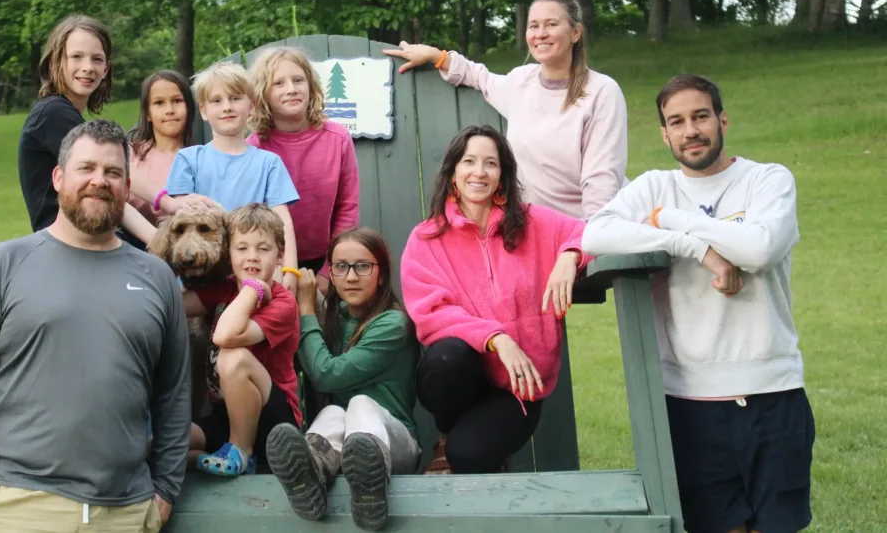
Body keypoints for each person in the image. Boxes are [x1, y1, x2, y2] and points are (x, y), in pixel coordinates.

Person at [582, 75, 814, 533]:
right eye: (677, 121)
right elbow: (594, 233)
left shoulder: (768, 180)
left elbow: (759, 249)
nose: (690, 130)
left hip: (773, 390)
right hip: (689, 399)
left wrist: (669, 220)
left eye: (700, 116)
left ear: (722, 119)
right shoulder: (653, 186)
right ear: (664, 134)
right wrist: (695, 248)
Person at [0, 120, 190, 533]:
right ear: (58, 178)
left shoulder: (157, 277)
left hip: (123, 512)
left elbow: (174, 391)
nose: (99, 181)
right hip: (13, 504)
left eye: (113, 173)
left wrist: (164, 490)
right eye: (86, 168)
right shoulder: (6, 263)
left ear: (127, 188)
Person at [399, 125, 591, 475]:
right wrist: (497, 338)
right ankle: (447, 433)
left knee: (467, 457)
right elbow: (431, 314)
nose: (480, 171)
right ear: (454, 172)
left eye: (491, 163)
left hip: (519, 388)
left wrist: (570, 255)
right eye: (469, 161)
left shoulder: (533, 223)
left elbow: (591, 231)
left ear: (502, 175)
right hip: (458, 378)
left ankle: (466, 445)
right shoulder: (426, 238)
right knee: (449, 356)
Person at [383, 0, 627, 220]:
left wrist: (590, 241)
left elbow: (601, 181)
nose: (540, 33)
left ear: (576, 33)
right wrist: (438, 56)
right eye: (534, 26)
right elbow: (481, 77)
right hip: (532, 226)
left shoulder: (601, 92)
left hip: (585, 225)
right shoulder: (522, 81)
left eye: (551, 24)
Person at [266, 228, 420, 531]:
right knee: (334, 412)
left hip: (398, 446)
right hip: (341, 449)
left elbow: (326, 374)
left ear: (381, 273)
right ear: (331, 275)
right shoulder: (335, 319)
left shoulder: (393, 323)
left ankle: (370, 485)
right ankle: (311, 473)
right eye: (341, 267)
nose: (351, 276)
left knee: (360, 404)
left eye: (363, 266)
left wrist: (307, 308)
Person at [154, 62, 301, 292]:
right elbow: (180, 221)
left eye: (234, 98)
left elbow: (283, 221)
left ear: (251, 106)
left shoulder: (269, 163)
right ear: (203, 110)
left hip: (252, 272)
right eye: (216, 101)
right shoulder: (189, 159)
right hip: (200, 275)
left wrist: (289, 269)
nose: (227, 107)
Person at [184, 203, 301, 477]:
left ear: (280, 255)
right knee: (165, 442)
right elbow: (172, 305)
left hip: (275, 420)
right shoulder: (223, 289)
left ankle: (241, 452)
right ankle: (208, 457)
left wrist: (254, 289)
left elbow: (226, 336)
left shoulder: (283, 304)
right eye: (242, 248)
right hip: (227, 416)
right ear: (229, 253)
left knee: (232, 357)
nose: (252, 257)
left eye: (263, 249)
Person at [18, 14, 155, 243]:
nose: (88, 67)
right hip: (70, 250)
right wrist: (160, 233)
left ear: (106, 68)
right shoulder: (52, 114)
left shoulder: (65, 114)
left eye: (97, 59)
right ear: (57, 60)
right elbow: (112, 190)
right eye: (76, 57)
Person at [246, 46, 360, 293]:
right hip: (272, 265)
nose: (291, 89)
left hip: (326, 261)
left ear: (311, 85)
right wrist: (276, 270)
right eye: (278, 83)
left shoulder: (337, 138)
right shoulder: (254, 147)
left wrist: (330, 269)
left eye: (298, 80)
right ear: (262, 94)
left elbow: (347, 208)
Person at [125, 70, 196, 249]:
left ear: (189, 107)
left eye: (177, 101)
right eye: (159, 103)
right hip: (133, 247)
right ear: (147, 114)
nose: (170, 110)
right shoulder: (130, 154)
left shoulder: (199, 159)